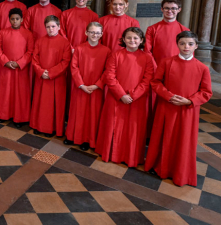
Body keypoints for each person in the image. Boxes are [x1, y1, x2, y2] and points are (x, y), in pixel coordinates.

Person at [145, 31, 212, 187]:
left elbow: (206, 92)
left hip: (188, 110)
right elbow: (156, 83)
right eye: (182, 43)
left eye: (190, 44)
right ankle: (160, 167)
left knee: (183, 140)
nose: (186, 47)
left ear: (196, 46)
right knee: (164, 136)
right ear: (177, 45)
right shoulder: (166, 62)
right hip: (167, 106)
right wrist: (168, 96)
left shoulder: (202, 68)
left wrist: (189, 101)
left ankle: (180, 171)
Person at [95, 27, 154, 167]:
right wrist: (121, 94)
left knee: (133, 129)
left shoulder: (147, 57)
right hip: (116, 97)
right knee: (113, 125)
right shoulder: (116, 55)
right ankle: (111, 153)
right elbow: (109, 76)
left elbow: (147, 80)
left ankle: (131, 157)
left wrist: (133, 95)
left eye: (135, 38)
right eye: (128, 38)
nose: (132, 41)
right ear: (123, 39)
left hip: (137, 100)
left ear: (141, 41)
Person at [64, 22, 110, 151]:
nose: (94, 35)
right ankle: (72, 136)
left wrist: (97, 85)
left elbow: (108, 71)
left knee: (92, 114)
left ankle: (87, 139)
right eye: (91, 32)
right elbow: (74, 67)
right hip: (81, 86)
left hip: (96, 88)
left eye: (97, 33)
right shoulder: (79, 48)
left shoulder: (106, 51)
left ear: (101, 34)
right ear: (86, 33)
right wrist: (81, 84)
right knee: (77, 112)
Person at [30, 15, 72, 137]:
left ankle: (52, 128)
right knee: (40, 103)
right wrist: (41, 71)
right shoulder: (40, 41)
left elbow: (65, 61)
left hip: (56, 79)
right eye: (48, 27)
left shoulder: (65, 43)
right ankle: (38, 126)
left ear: (59, 27)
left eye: (53, 26)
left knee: (54, 105)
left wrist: (51, 73)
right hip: (42, 77)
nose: (51, 29)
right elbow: (35, 58)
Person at [0, 8, 34, 125]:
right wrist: (6, 61)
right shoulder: (3, 32)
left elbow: (30, 51)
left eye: (17, 19)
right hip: (6, 67)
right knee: (5, 91)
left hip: (21, 69)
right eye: (12, 19)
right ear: (9, 20)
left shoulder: (28, 34)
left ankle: (20, 117)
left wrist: (19, 63)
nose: (15, 21)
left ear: (22, 19)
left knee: (20, 93)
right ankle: (2, 114)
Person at [145, 0, 189, 64]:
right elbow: (147, 51)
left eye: (173, 8)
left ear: (179, 10)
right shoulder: (152, 29)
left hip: (178, 67)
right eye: (166, 8)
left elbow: (188, 52)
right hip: (157, 67)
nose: (169, 11)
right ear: (162, 9)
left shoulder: (185, 30)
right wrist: (154, 67)